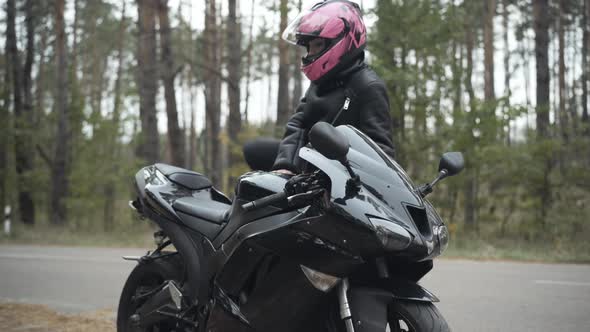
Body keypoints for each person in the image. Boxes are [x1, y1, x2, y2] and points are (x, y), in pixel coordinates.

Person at [244, 0, 394, 175]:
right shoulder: (322, 80)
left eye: (317, 45)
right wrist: (286, 165)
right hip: (311, 159)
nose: (310, 54)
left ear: (342, 41)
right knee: (253, 150)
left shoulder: (368, 87)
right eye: (309, 47)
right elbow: (298, 124)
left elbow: (382, 154)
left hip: (342, 173)